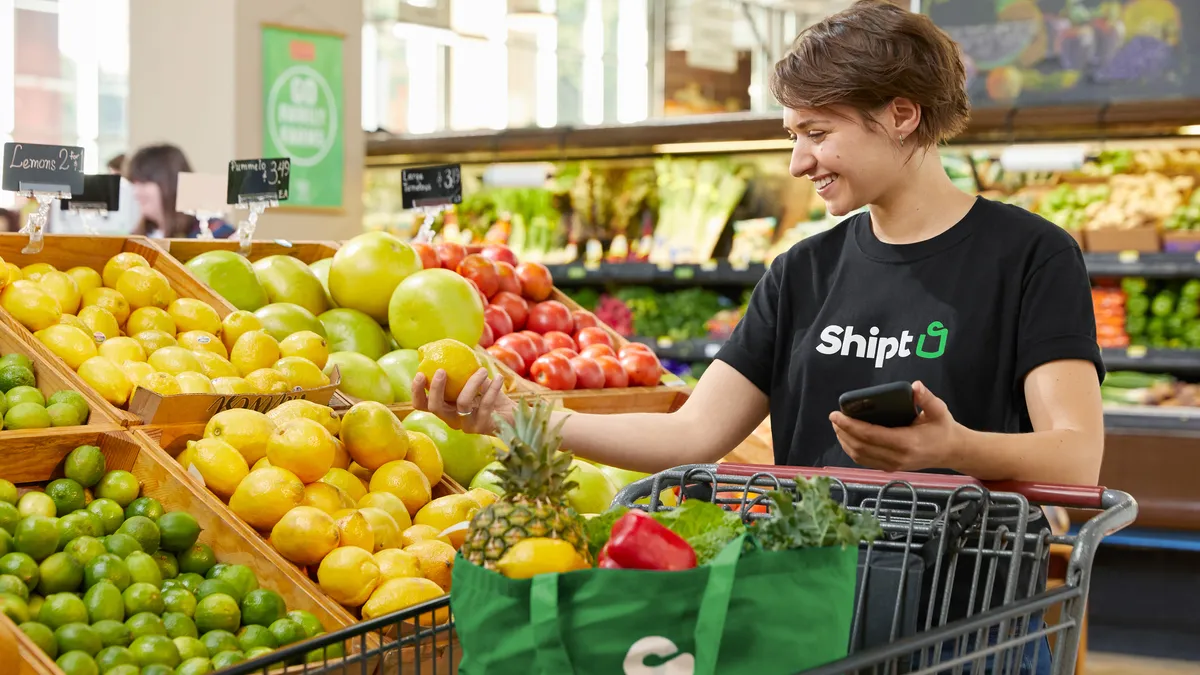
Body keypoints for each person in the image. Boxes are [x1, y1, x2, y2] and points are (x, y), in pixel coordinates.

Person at [414, 2, 1103, 672]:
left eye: (817, 132)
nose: (800, 163)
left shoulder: (1031, 256)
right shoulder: (802, 272)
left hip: (969, 631)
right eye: (792, 135)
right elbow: (690, 436)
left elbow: (1076, 459)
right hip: (807, 619)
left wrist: (953, 447)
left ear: (901, 114)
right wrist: (518, 414)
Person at [126, 143, 234, 239]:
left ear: (171, 183)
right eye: (135, 183)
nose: (136, 192)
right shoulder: (137, 238)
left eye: (144, 183)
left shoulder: (217, 234)